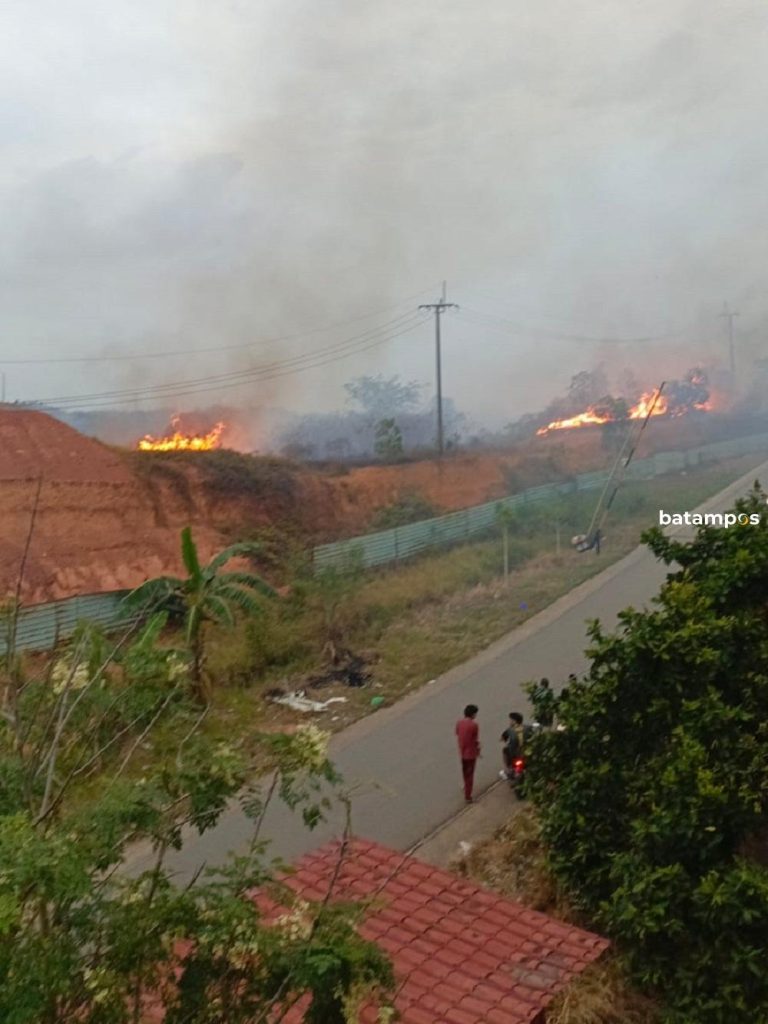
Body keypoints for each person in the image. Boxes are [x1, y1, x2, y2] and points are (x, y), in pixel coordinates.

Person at [455, 704, 480, 802]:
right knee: (470, 775)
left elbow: (458, 733)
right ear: (473, 714)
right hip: (471, 754)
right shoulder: (474, 725)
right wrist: (478, 749)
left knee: (464, 772)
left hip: (462, 752)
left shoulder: (459, 723)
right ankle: (468, 795)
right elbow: (475, 739)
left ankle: (465, 787)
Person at [500, 712, 528, 778]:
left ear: (514, 721)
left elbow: (502, 738)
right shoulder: (527, 728)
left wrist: (504, 740)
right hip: (525, 751)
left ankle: (508, 769)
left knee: (505, 750)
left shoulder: (510, 730)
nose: (509, 722)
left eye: (510, 720)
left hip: (514, 753)